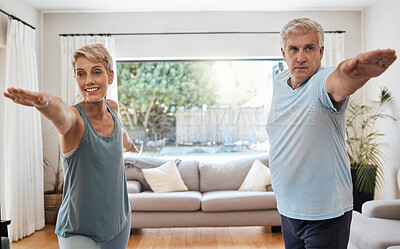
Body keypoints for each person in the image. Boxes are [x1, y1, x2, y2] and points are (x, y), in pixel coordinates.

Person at [266, 18, 396, 249]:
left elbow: (339, 82)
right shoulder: (279, 81)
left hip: (325, 215)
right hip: (288, 210)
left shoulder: (320, 82)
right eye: (293, 49)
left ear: (321, 51)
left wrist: (356, 73)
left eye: (309, 48)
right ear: (284, 53)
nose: (301, 57)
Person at [4, 43, 139, 249]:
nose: (89, 81)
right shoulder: (74, 120)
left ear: (110, 76)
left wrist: (129, 144)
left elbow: (120, 133)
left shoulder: (113, 108)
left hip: (119, 224)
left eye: (96, 72)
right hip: (78, 230)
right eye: (81, 74)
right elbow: (60, 113)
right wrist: (44, 102)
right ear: (75, 78)